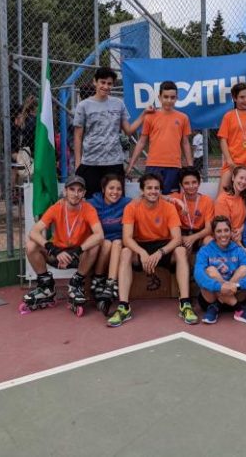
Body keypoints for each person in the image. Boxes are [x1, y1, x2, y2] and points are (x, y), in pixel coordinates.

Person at [108, 173, 198, 327]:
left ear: (160, 191)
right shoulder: (132, 207)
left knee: (181, 251)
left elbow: (177, 238)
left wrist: (160, 252)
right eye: (149, 188)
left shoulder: (169, 207)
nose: (153, 191)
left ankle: (185, 304)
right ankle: (123, 307)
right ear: (142, 190)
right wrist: (142, 252)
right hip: (141, 245)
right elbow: (127, 238)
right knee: (125, 252)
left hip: (163, 246)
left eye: (156, 188)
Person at [21, 176, 104, 314]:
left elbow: (99, 234)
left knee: (95, 245)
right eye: (72, 189)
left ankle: (76, 283)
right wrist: (52, 249)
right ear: (65, 191)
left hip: (78, 256)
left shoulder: (89, 209)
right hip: (57, 253)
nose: (75, 194)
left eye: (79, 190)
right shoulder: (56, 208)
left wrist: (78, 250)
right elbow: (34, 232)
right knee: (31, 245)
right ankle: (46, 286)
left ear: (84, 193)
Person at [73, 67, 151, 198]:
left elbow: (128, 131)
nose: (105, 86)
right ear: (95, 82)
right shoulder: (83, 106)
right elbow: (78, 136)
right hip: (90, 163)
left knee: (116, 200)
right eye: (102, 82)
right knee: (92, 201)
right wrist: (77, 163)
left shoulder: (118, 104)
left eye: (109, 83)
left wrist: (144, 114)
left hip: (114, 163)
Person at [194, 215, 246, 325]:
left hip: (236, 294)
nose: (223, 234)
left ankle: (216, 306)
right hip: (210, 300)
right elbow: (198, 275)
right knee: (210, 270)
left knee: (245, 269)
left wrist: (236, 286)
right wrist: (220, 287)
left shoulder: (239, 250)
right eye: (219, 231)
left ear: (231, 232)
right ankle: (239, 310)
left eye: (226, 230)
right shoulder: (205, 250)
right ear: (213, 234)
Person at [126, 81, 192, 194]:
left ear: (177, 98)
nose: (169, 100)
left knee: (171, 198)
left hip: (174, 166)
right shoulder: (150, 117)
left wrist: (190, 166)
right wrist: (131, 164)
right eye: (165, 97)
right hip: (153, 165)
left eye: (172, 97)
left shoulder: (183, 118)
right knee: (151, 197)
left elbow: (185, 143)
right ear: (159, 98)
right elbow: (141, 142)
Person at [87, 173, 131, 314]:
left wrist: (170, 199)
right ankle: (98, 277)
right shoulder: (92, 203)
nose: (115, 192)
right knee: (107, 243)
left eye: (119, 189)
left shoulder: (127, 203)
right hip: (101, 246)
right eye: (111, 188)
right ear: (103, 189)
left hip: (119, 244)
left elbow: (146, 198)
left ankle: (110, 285)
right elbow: (74, 203)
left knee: (117, 242)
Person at [166, 167, 215, 257]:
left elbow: (208, 229)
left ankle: (210, 264)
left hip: (200, 234)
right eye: (186, 183)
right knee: (185, 246)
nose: (191, 186)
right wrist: (177, 201)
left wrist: (193, 237)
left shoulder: (207, 201)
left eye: (194, 182)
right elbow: (158, 196)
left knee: (209, 241)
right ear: (181, 185)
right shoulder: (176, 197)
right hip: (182, 234)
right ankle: (186, 265)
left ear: (199, 183)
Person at [215, 164, 246, 246]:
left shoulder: (244, 198)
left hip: (242, 234)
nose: (243, 182)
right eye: (241, 178)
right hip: (227, 237)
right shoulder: (223, 199)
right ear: (233, 178)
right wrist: (240, 244)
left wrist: (241, 230)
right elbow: (223, 226)